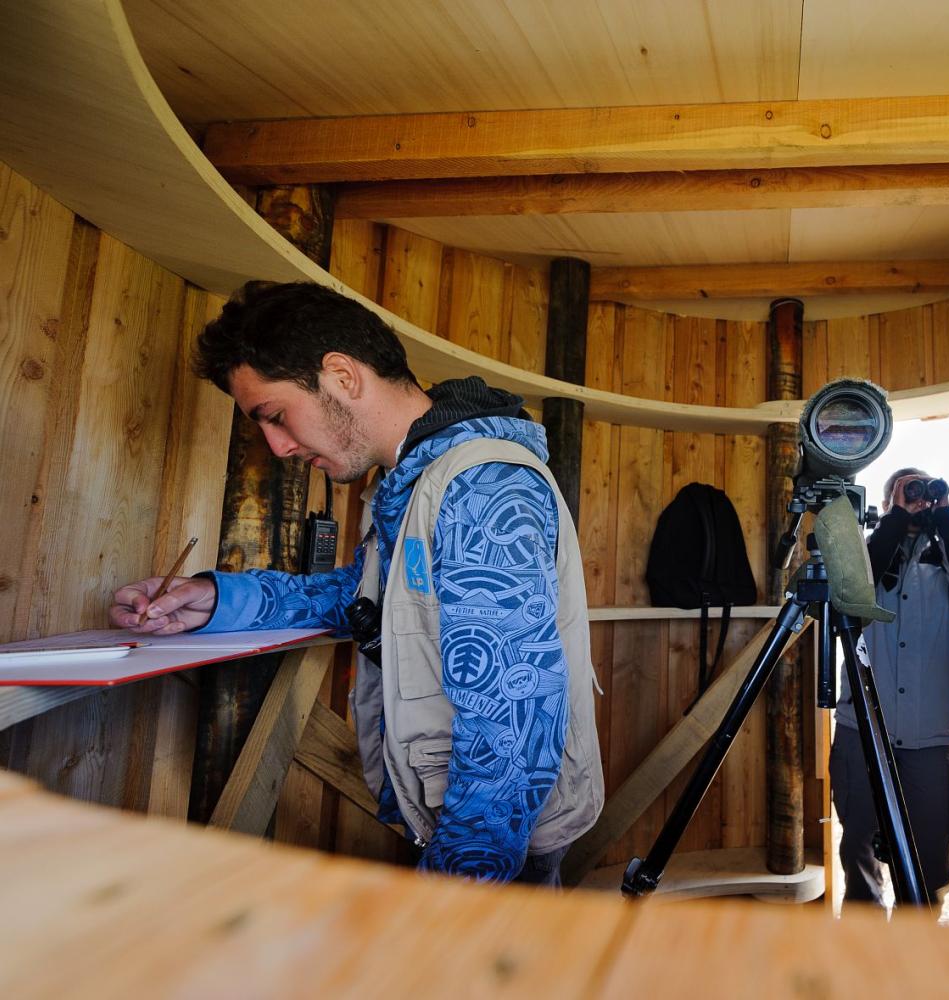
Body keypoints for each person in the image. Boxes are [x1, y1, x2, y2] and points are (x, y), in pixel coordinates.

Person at [108, 281, 602, 886]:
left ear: (341, 375)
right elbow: (369, 599)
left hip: (496, 858)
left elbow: (513, 732)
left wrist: (451, 900)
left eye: (276, 416)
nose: (279, 446)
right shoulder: (416, 477)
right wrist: (216, 600)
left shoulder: (479, 487)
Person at [830, 467, 949, 909]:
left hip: (929, 734)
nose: (917, 498)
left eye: (924, 490)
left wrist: (947, 520)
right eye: (906, 491)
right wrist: (895, 520)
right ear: (886, 504)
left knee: (929, 856)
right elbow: (851, 592)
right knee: (858, 848)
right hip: (862, 728)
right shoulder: (868, 554)